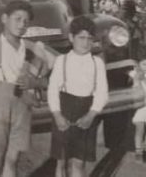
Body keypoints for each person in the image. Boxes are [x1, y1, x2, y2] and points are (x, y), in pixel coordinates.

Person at [0, 0, 53, 177]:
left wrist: (35, 83)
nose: (21, 24)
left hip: (22, 108)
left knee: (13, 159)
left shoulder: (31, 49)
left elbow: (48, 79)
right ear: (4, 19)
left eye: (25, 21)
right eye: (17, 19)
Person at [48, 16, 109, 177]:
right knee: (61, 161)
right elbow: (53, 89)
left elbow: (102, 92)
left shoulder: (97, 63)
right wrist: (57, 115)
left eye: (90, 38)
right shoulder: (62, 60)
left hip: (87, 111)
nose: (85, 42)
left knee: (79, 162)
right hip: (64, 109)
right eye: (81, 37)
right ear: (71, 38)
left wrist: (91, 114)